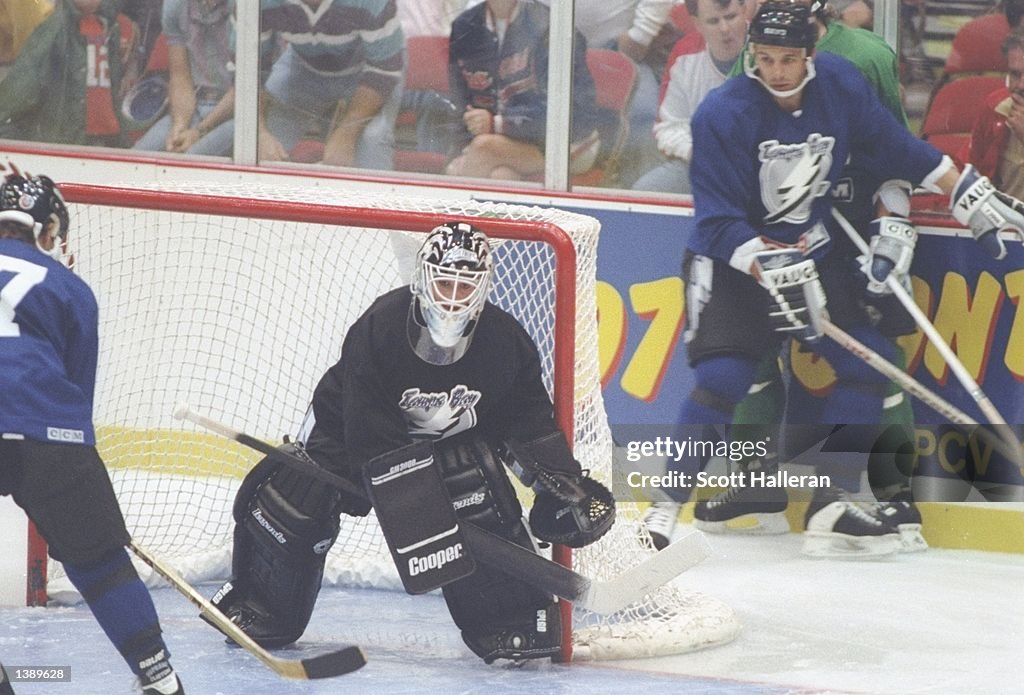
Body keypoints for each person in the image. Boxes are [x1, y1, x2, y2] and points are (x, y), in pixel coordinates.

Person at [653, 2, 1024, 558]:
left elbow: (897, 149)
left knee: (869, 363)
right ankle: (663, 509)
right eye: (766, 58)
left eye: (788, 59)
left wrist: (960, 185)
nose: (776, 71)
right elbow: (715, 219)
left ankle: (830, 502)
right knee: (723, 377)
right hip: (734, 264)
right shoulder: (722, 112)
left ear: (810, 55)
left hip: (812, 250)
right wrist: (768, 264)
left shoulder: (842, 85)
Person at [206, 222, 614, 663]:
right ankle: (260, 607)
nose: (452, 297)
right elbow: (362, 424)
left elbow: (527, 420)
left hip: (445, 446)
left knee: (474, 489)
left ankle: (511, 623)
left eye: (465, 285)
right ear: (422, 278)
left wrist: (560, 480)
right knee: (299, 494)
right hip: (346, 433)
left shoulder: (505, 341)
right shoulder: (380, 326)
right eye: (443, 281)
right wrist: (403, 494)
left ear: (484, 287)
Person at [0, 171, 184, 695]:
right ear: (49, 226)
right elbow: (76, 395)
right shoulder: (69, 288)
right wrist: (86, 511)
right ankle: (159, 678)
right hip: (48, 430)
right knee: (99, 562)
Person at [445, 0, 604, 180]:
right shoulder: (464, 26)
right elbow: (460, 104)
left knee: (483, 149)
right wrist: (460, 154)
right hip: (502, 142)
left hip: (568, 143)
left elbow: (573, 115)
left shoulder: (552, 27)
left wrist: (498, 124)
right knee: (501, 176)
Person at [257, 0, 404, 169]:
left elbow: (384, 70)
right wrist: (260, 132)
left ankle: (378, 195)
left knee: (372, 139)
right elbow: (247, 72)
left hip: (369, 70)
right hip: (304, 64)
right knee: (261, 147)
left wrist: (347, 132)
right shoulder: (259, 3)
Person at [631, 0, 748, 194]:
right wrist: (698, 152)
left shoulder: (768, 50)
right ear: (697, 23)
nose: (725, 28)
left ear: (744, 11)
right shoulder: (684, 56)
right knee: (644, 191)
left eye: (731, 17)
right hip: (701, 165)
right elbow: (669, 127)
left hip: (759, 168)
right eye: (713, 21)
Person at [0, 0, 138, 147]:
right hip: (68, 139)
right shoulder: (55, 28)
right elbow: (23, 84)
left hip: (104, 137)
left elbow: (112, 90)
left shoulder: (110, 26)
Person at [574, 0, 678, 187]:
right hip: (552, 54)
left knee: (643, 115)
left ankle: (638, 202)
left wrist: (642, 33)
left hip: (621, 53)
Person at [133, 0, 235, 156]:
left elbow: (248, 88)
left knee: (189, 160)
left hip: (237, 113)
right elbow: (180, 76)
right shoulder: (175, 4)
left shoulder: (246, 6)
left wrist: (199, 131)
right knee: (137, 156)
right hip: (195, 106)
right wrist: (179, 126)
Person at [963, 28, 1024, 202]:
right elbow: (971, 175)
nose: (1021, 85)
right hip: (1004, 223)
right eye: (1015, 74)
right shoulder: (995, 108)